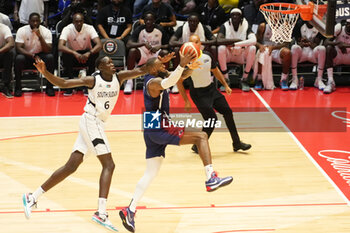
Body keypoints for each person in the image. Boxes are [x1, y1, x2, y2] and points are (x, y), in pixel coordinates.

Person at [22, 53, 163, 231]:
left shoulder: (119, 77)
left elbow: (144, 69)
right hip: (91, 121)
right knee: (109, 165)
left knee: (71, 166)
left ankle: (32, 197)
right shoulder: (92, 80)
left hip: (97, 124)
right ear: (100, 68)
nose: (113, 65)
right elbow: (64, 84)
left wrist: (158, 62)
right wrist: (45, 72)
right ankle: (101, 213)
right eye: (109, 63)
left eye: (113, 62)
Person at [118, 50, 233, 233]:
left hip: (151, 127)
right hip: (158, 126)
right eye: (160, 65)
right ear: (152, 70)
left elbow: (176, 77)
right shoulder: (153, 82)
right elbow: (168, 82)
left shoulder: (158, 77)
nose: (164, 66)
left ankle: (130, 209)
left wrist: (189, 68)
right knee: (201, 136)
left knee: (151, 172)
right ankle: (211, 178)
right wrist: (181, 66)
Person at [178, 34, 251, 154]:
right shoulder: (186, 62)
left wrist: (226, 85)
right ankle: (197, 144)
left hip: (211, 90)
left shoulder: (207, 56)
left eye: (197, 42)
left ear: (200, 44)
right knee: (211, 119)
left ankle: (236, 143)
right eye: (192, 43)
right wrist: (186, 100)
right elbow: (179, 81)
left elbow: (215, 71)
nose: (194, 45)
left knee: (228, 112)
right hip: (198, 93)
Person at [169, 12, 216, 93]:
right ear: (188, 21)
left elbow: (214, 40)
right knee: (176, 50)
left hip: (201, 52)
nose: (193, 23)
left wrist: (200, 43)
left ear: (198, 22)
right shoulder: (182, 28)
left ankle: (211, 77)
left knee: (213, 48)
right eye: (191, 21)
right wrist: (188, 44)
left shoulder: (203, 28)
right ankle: (176, 81)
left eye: (195, 22)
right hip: (186, 53)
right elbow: (171, 42)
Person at [124, 11, 168, 94]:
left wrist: (160, 47)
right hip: (143, 54)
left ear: (154, 20)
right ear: (144, 20)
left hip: (156, 55)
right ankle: (130, 81)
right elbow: (129, 44)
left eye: (150, 20)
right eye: (146, 20)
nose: (148, 22)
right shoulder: (139, 29)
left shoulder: (160, 29)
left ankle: (165, 80)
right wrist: (143, 43)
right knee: (132, 51)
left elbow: (168, 45)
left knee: (165, 52)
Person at [59, 12, 102, 96]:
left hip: (86, 54)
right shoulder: (67, 29)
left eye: (81, 21)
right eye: (76, 21)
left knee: (95, 53)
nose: (79, 23)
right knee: (66, 54)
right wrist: (74, 53)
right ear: (73, 22)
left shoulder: (89, 28)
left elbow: (99, 44)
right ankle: (70, 85)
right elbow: (60, 46)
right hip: (73, 55)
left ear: (83, 21)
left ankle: (88, 85)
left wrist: (89, 53)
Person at [14, 12, 55, 97]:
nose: (35, 23)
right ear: (29, 21)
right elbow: (18, 48)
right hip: (27, 55)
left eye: (37, 21)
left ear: (40, 21)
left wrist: (40, 36)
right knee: (18, 58)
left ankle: (49, 88)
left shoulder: (46, 31)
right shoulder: (22, 30)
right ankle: (18, 88)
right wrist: (31, 55)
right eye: (33, 21)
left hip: (40, 55)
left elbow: (48, 50)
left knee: (50, 57)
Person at [217, 8, 256, 92]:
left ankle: (244, 79)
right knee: (221, 48)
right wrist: (236, 42)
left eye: (237, 15)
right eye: (233, 15)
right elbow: (219, 40)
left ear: (241, 17)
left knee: (253, 48)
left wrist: (235, 44)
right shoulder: (225, 25)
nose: (235, 17)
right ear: (230, 16)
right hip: (229, 54)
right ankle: (226, 80)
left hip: (241, 55)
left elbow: (254, 40)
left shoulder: (246, 25)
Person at [254, 22, 291, 90]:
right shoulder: (263, 26)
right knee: (261, 52)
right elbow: (255, 41)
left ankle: (283, 79)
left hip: (277, 50)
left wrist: (273, 48)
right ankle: (259, 79)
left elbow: (286, 43)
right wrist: (260, 46)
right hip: (266, 50)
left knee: (287, 53)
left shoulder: (284, 26)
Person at [290, 21, 326, 90]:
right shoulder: (299, 25)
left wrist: (308, 43)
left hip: (312, 53)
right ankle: (294, 79)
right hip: (302, 53)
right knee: (294, 47)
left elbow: (316, 45)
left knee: (322, 48)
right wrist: (304, 43)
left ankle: (319, 79)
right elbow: (299, 43)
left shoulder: (318, 27)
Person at [324, 20, 350, 94]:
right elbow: (326, 42)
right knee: (329, 48)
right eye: (349, 24)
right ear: (346, 24)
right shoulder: (339, 28)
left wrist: (345, 45)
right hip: (338, 55)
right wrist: (338, 43)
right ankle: (331, 81)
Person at [0, 23, 15, 98]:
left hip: (1, 54)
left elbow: (11, 43)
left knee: (9, 53)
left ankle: (5, 86)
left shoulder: (4, 28)